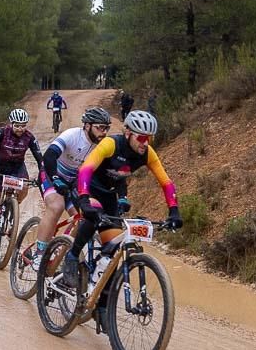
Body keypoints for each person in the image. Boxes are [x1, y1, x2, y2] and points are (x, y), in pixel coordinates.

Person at [59, 110, 182, 289]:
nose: (145, 143)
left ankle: (100, 307)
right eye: (141, 138)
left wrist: (174, 211)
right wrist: (84, 199)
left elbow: (166, 182)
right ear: (128, 133)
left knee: (112, 250)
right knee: (93, 214)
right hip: (86, 188)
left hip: (109, 196)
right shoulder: (111, 144)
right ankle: (72, 257)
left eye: (150, 138)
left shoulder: (147, 153)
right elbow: (85, 170)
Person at [28, 107, 112, 269]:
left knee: (84, 217)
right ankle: (39, 254)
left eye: (106, 128)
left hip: (74, 182)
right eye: (99, 127)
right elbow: (49, 156)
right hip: (52, 174)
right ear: (87, 126)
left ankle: (64, 250)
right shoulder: (73, 135)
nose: (104, 132)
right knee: (57, 206)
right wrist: (55, 178)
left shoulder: (102, 146)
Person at [0, 108, 44, 248]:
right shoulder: (2, 132)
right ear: (11, 123)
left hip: (17, 167)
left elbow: (40, 159)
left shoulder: (29, 137)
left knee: (25, 187)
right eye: (17, 125)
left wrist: (42, 174)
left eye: (23, 125)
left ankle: (13, 206)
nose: (20, 129)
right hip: (0, 166)